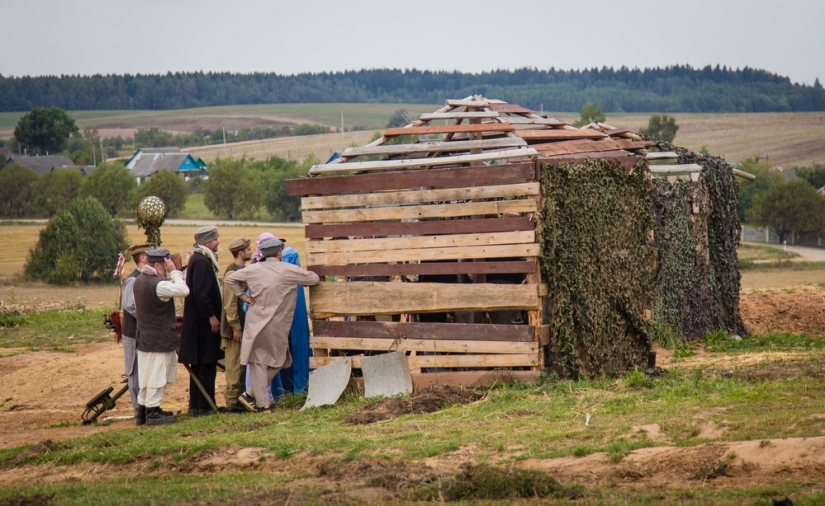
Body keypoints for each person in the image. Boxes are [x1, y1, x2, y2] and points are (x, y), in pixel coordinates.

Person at [225, 237, 320, 412]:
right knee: (273, 361)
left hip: (255, 325)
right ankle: (264, 406)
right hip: (277, 326)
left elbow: (230, 280)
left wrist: (244, 297)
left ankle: (250, 394)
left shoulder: (252, 269)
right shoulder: (288, 270)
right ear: (279, 252)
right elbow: (314, 279)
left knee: (269, 362)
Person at [134, 248, 190, 426]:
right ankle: (153, 411)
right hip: (159, 337)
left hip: (145, 337)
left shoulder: (139, 280)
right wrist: (175, 271)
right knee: (156, 375)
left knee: (147, 375)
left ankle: (143, 411)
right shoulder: (158, 285)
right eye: (165, 265)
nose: (166, 269)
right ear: (158, 264)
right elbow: (183, 290)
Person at [180, 225, 223, 416]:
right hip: (203, 326)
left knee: (199, 366)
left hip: (198, 324)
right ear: (206, 241)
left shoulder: (198, 259)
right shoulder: (203, 262)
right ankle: (205, 406)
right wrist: (212, 317)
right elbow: (200, 294)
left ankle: (196, 405)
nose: (218, 242)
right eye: (215, 239)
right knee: (207, 363)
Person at [219, 237, 253, 413]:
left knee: (241, 365)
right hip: (233, 331)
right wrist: (236, 327)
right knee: (234, 367)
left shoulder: (241, 271)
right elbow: (230, 305)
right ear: (241, 253)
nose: (251, 252)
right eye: (248, 249)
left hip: (240, 328)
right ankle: (232, 402)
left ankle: (239, 400)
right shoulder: (232, 274)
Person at [121, 243, 152, 425]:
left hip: (142, 332)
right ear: (143, 258)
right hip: (132, 333)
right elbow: (129, 305)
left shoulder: (143, 277)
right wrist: (148, 316)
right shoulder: (133, 279)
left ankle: (145, 408)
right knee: (134, 372)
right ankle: (138, 411)